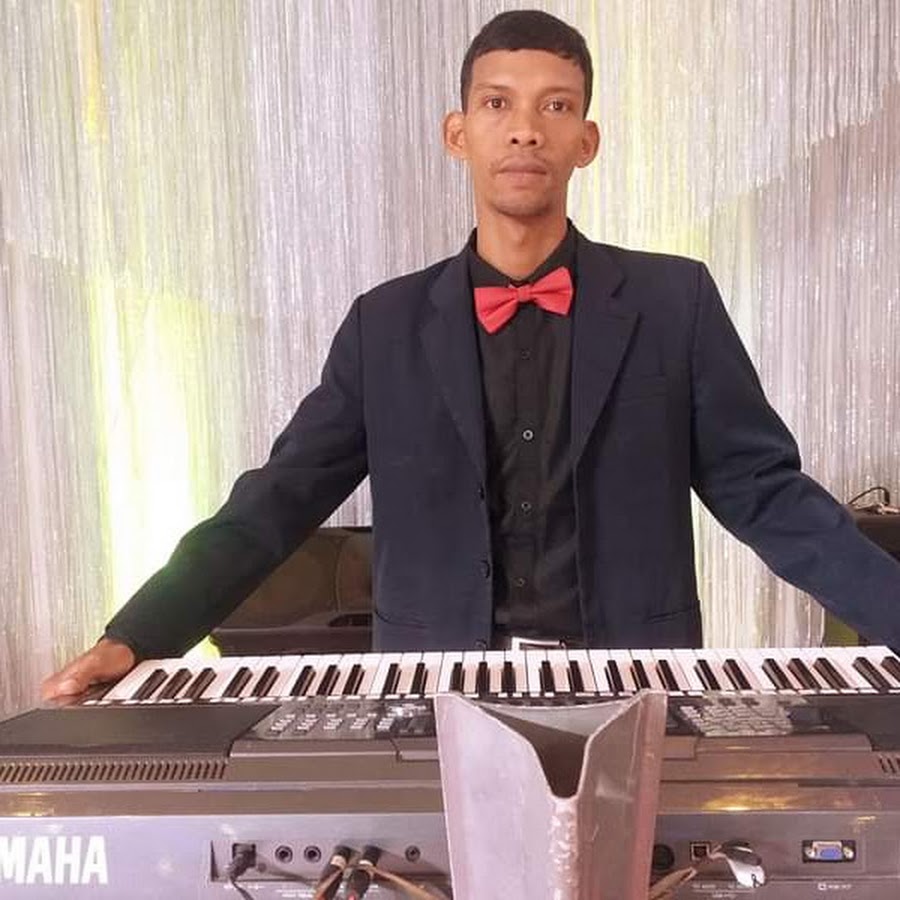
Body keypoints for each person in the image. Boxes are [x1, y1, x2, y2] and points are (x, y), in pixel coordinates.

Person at [42, 9, 900, 701]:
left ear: (587, 139)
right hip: (432, 692)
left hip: (634, 685)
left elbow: (767, 495)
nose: (525, 130)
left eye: (555, 107)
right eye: (497, 104)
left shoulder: (675, 302)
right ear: (458, 132)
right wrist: (139, 632)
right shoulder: (383, 324)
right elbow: (278, 499)